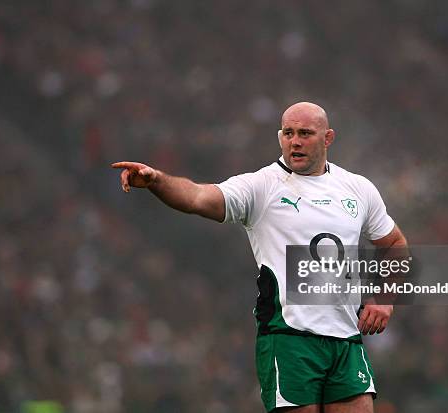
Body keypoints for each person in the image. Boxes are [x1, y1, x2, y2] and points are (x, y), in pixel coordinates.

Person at [112, 102, 408, 413]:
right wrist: (157, 180)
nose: (295, 141)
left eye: (305, 133)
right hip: (289, 339)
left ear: (328, 138)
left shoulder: (358, 189)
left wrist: (385, 297)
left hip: (346, 340)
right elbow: (198, 197)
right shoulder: (261, 187)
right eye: (288, 133)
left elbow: (394, 243)